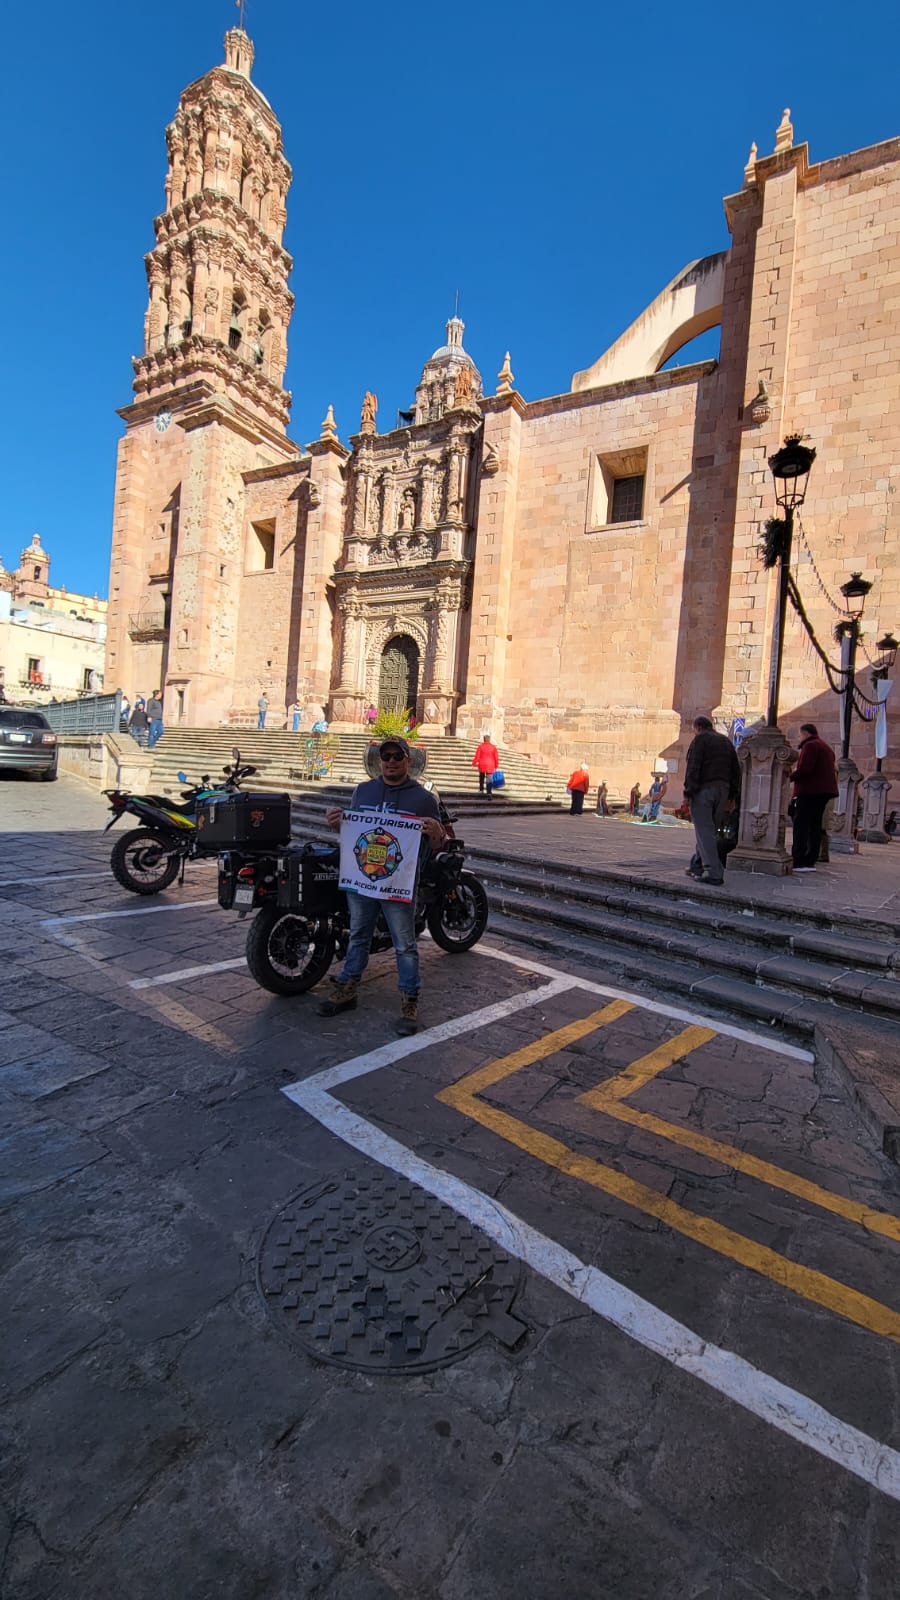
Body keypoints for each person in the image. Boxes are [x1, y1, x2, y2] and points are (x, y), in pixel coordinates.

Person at [318, 737, 446, 1035]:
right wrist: (336, 822)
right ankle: (348, 988)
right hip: (363, 881)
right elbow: (351, 832)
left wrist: (437, 832)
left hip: (398, 884)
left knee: (404, 944)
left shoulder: (424, 799)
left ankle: (409, 1000)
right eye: (385, 755)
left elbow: (438, 843)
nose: (390, 761)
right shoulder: (363, 791)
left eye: (397, 756)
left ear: (408, 760)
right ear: (379, 760)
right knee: (359, 934)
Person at [682, 716, 741, 885]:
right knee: (710, 830)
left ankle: (714, 872)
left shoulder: (700, 740)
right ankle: (697, 864)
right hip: (723, 791)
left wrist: (688, 792)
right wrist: (732, 796)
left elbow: (693, 767)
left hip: (704, 790)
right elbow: (735, 770)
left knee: (704, 830)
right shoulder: (726, 741)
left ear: (698, 727)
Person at [790, 722, 838, 872]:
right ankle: (810, 859)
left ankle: (799, 859)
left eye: (800, 735)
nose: (799, 738)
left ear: (805, 733)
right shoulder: (825, 746)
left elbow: (805, 769)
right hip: (823, 792)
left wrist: (790, 776)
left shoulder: (810, 746)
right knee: (814, 825)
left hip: (810, 791)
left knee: (802, 824)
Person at [472, 734, 499, 798]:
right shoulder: (493, 747)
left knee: (481, 777)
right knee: (489, 779)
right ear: (489, 740)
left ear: (484, 740)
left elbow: (477, 756)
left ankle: (481, 789)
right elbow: (496, 757)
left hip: (482, 764)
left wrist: (474, 763)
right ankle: (489, 792)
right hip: (490, 765)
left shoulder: (480, 746)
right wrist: (496, 766)